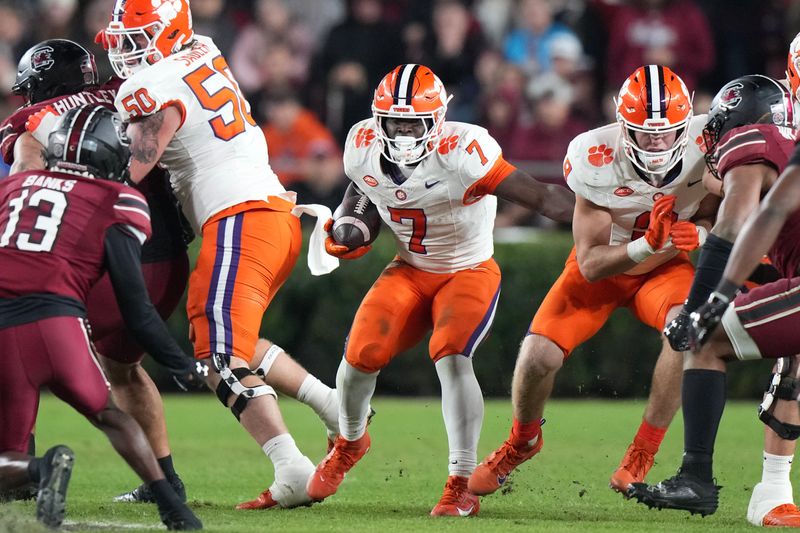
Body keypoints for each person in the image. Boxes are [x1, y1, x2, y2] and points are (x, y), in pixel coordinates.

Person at [93, 0, 336, 509]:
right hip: (273, 216)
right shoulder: (203, 50)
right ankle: (332, 405)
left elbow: (133, 170)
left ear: (169, 31)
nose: (129, 51)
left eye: (141, 38)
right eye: (125, 40)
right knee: (228, 341)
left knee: (215, 358)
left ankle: (291, 467)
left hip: (241, 219)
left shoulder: (152, 86)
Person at [304, 63, 576, 517]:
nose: (405, 133)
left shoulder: (464, 150)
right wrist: (351, 228)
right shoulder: (362, 145)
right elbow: (367, 191)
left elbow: (544, 198)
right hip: (409, 268)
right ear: (378, 119)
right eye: (395, 122)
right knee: (358, 357)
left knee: (452, 354)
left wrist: (613, 215)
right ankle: (350, 442)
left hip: (468, 269)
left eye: (414, 123)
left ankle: (459, 483)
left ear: (439, 120)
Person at [468, 65, 718, 500]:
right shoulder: (595, 154)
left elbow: (731, 210)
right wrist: (646, 245)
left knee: (687, 334)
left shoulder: (709, 141)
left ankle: (641, 453)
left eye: (667, 132)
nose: (657, 143)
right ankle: (522, 441)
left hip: (665, 271)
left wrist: (701, 234)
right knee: (537, 356)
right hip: (607, 268)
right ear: (623, 127)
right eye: (645, 133)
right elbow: (590, 265)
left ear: (686, 124)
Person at [1, 37, 195, 505]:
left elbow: (26, 178)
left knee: (18, 342)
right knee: (123, 368)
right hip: (165, 255)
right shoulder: (125, 89)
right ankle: (164, 481)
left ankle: (21, 471)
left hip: (103, 256)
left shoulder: (26, 121)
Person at [628, 68, 800, 520]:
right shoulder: (787, 142)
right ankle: (773, 494)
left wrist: (702, 302)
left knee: (706, 339)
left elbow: (734, 221)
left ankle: (696, 478)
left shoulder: (751, 140)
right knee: (793, 369)